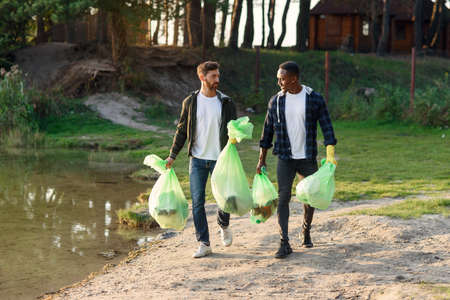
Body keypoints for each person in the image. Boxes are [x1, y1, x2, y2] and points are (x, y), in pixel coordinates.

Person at [257, 61, 337, 259]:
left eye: (282, 78)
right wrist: (262, 160)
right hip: (285, 157)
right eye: (278, 78)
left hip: (307, 157)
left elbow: (327, 127)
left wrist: (330, 153)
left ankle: (306, 230)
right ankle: (284, 242)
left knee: (309, 196)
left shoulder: (314, 99)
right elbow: (267, 132)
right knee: (283, 197)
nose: (279, 82)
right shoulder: (275, 101)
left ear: (294, 78)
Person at [166, 61, 237, 258]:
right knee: (197, 202)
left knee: (224, 198)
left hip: (220, 159)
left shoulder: (226, 102)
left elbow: (234, 129)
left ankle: (223, 225)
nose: (217, 80)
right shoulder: (190, 102)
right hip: (197, 159)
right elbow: (181, 130)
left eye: (218, 76)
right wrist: (172, 155)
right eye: (213, 76)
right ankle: (204, 243)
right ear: (202, 78)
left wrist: (238, 135)